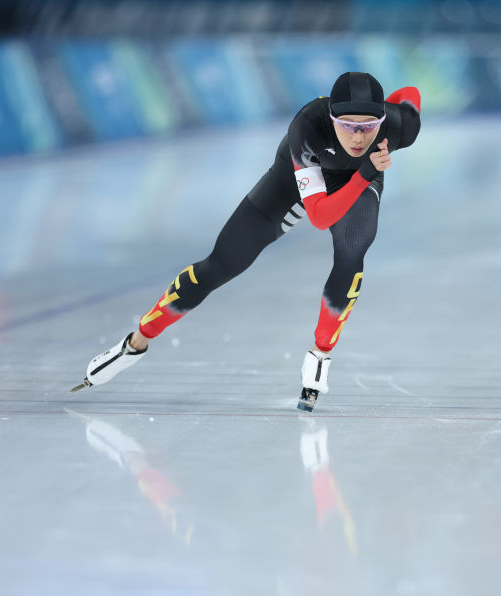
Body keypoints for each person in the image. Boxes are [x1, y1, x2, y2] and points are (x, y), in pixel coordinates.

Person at [72, 72, 422, 411]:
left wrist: (383, 119)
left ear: (382, 120)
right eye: (347, 125)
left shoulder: (398, 126)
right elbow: (319, 217)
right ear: (332, 118)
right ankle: (135, 343)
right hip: (293, 183)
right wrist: (366, 171)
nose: (358, 137)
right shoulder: (308, 125)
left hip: (358, 181)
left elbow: (410, 95)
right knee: (221, 264)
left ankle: (320, 354)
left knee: (352, 252)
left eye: (368, 126)